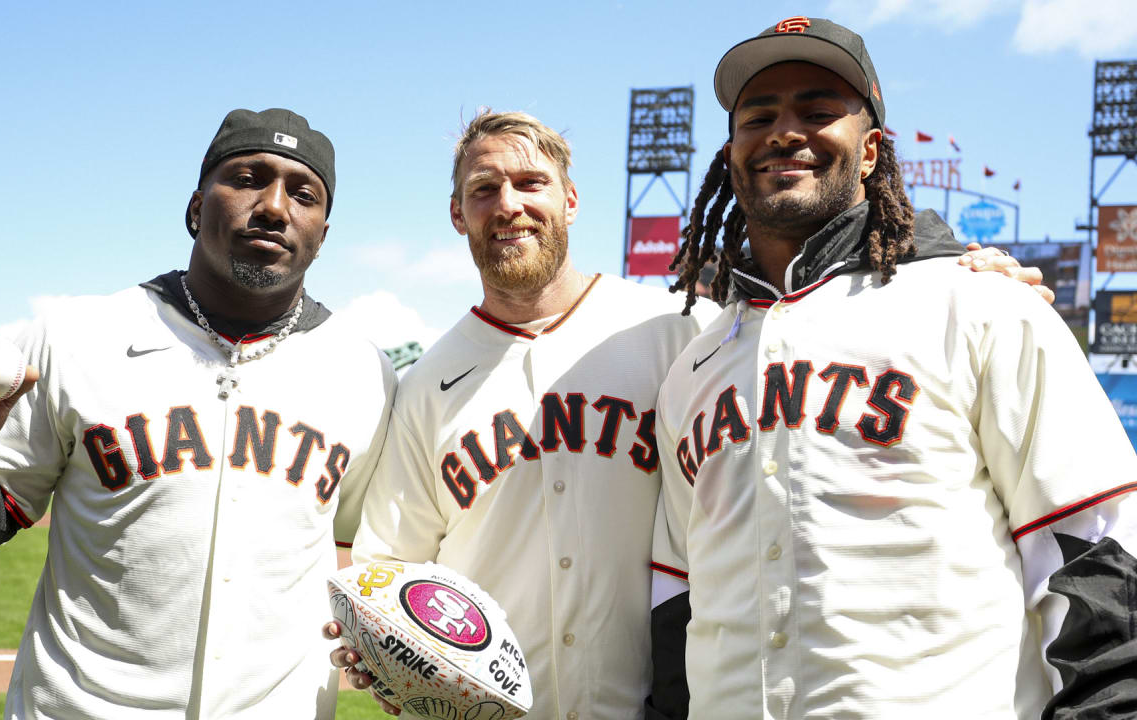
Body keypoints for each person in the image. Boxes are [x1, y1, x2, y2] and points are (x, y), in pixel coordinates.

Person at [324, 110, 1046, 720]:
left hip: (662, 703)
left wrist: (950, 261)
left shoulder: (684, 330)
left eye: (531, 183)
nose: (509, 203)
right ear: (458, 213)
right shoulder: (427, 385)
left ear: (570, 200)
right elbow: (392, 564)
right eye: (485, 189)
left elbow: (811, 315)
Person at [648, 17, 1137, 719]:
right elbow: (678, 604)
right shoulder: (692, 367)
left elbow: (1099, 556)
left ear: (872, 151)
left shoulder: (980, 306)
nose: (785, 131)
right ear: (732, 155)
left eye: (818, 111)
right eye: (760, 115)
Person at [0, 108, 396, 719]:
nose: (272, 206)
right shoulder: (76, 335)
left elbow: (360, 558)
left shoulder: (365, 373)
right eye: (246, 178)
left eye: (303, 193)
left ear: (320, 232)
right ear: (194, 207)